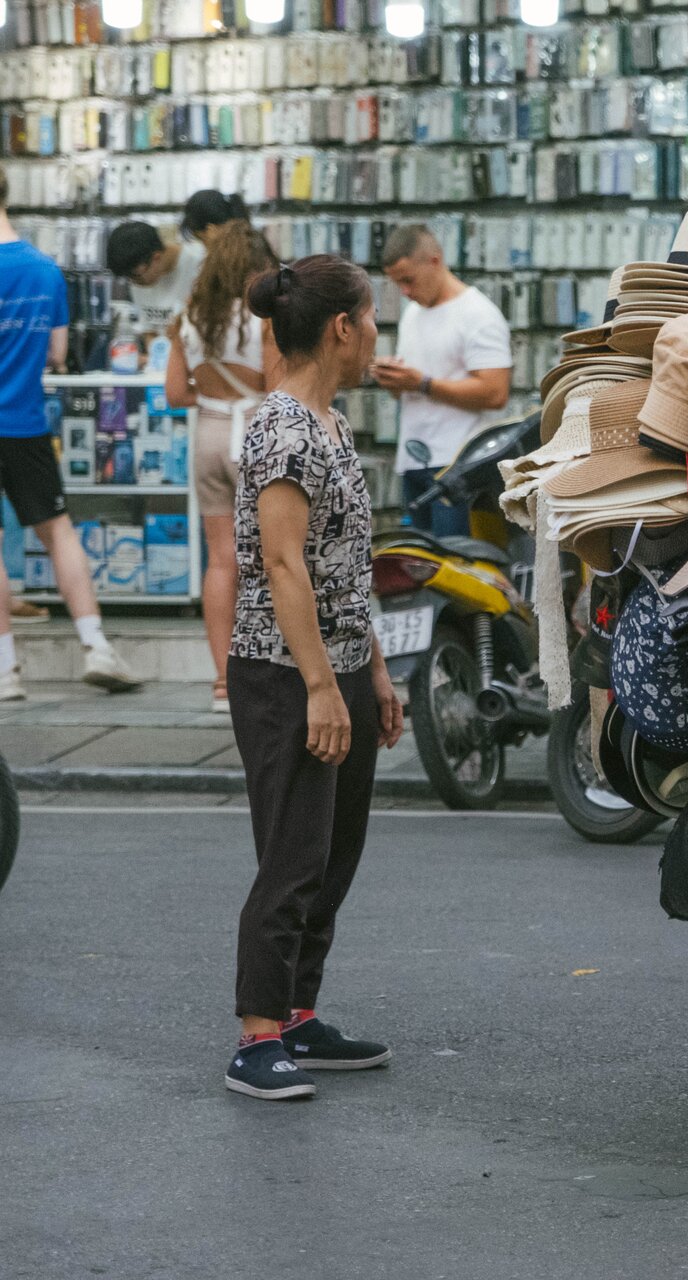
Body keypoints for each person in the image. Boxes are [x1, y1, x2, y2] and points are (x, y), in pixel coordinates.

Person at [224, 254, 403, 1101]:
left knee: (333, 855)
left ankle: (299, 1015)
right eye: (371, 322)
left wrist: (373, 670)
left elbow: (342, 568)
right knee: (293, 857)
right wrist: (322, 688)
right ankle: (257, 1037)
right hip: (283, 673)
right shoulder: (284, 430)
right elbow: (284, 566)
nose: (375, 338)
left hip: (340, 665)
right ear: (341, 328)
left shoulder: (330, 424)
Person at [0, 170, 142, 698]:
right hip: (25, 423)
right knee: (58, 530)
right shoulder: (44, 270)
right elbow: (58, 354)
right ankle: (96, 645)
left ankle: (5, 670)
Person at [165, 222, 281, 712]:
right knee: (276, 557)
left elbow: (175, 394)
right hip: (257, 432)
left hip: (209, 436)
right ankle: (273, 670)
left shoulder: (188, 319)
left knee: (220, 560)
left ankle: (222, 682)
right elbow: (278, 387)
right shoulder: (264, 320)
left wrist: (212, 399)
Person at [371, 225, 511, 536]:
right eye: (397, 284)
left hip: (458, 467)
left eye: (408, 280)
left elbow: (495, 392)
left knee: (457, 561)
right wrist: (395, 381)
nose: (405, 292)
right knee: (419, 560)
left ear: (434, 261)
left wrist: (422, 383)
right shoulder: (413, 314)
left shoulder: (478, 314)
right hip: (414, 460)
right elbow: (415, 387)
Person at [106, 220, 207, 339]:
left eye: (136, 277)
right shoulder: (137, 275)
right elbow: (150, 330)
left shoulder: (200, 263)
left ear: (156, 257)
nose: (133, 283)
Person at [181, 189, 248, 243]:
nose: (204, 247)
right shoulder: (245, 245)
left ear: (210, 230)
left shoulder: (224, 254)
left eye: (202, 240)